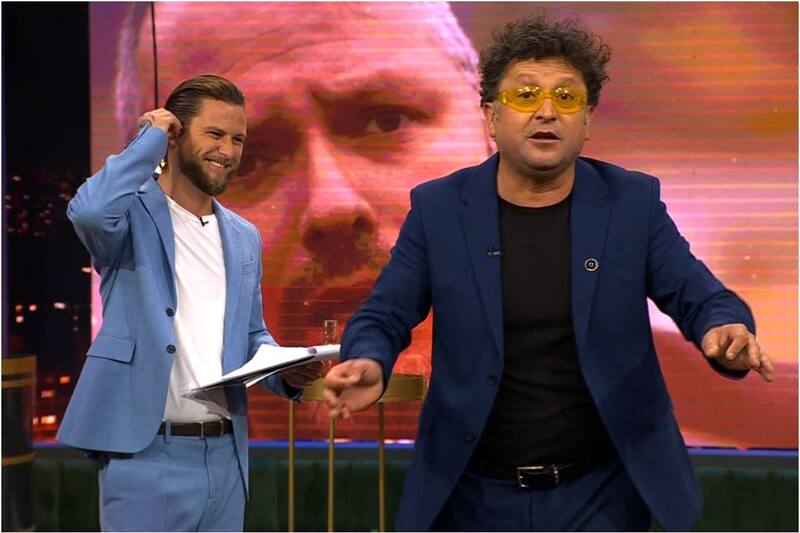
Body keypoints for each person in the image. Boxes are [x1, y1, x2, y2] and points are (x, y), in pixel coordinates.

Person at [323, 13, 775, 532]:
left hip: (602, 494)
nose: (546, 111)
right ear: (490, 116)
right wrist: (369, 358)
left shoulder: (631, 203)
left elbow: (702, 297)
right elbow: (385, 313)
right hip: (474, 494)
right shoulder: (440, 209)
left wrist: (724, 327)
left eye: (566, 97)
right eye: (525, 95)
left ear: (587, 120)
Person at [57, 75, 320, 531]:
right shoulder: (130, 216)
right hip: (145, 455)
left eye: (238, 139)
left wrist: (285, 372)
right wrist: (149, 139)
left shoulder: (244, 236)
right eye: (214, 134)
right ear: (176, 135)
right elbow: (89, 211)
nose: (228, 150)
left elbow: (251, 334)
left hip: (226, 456)